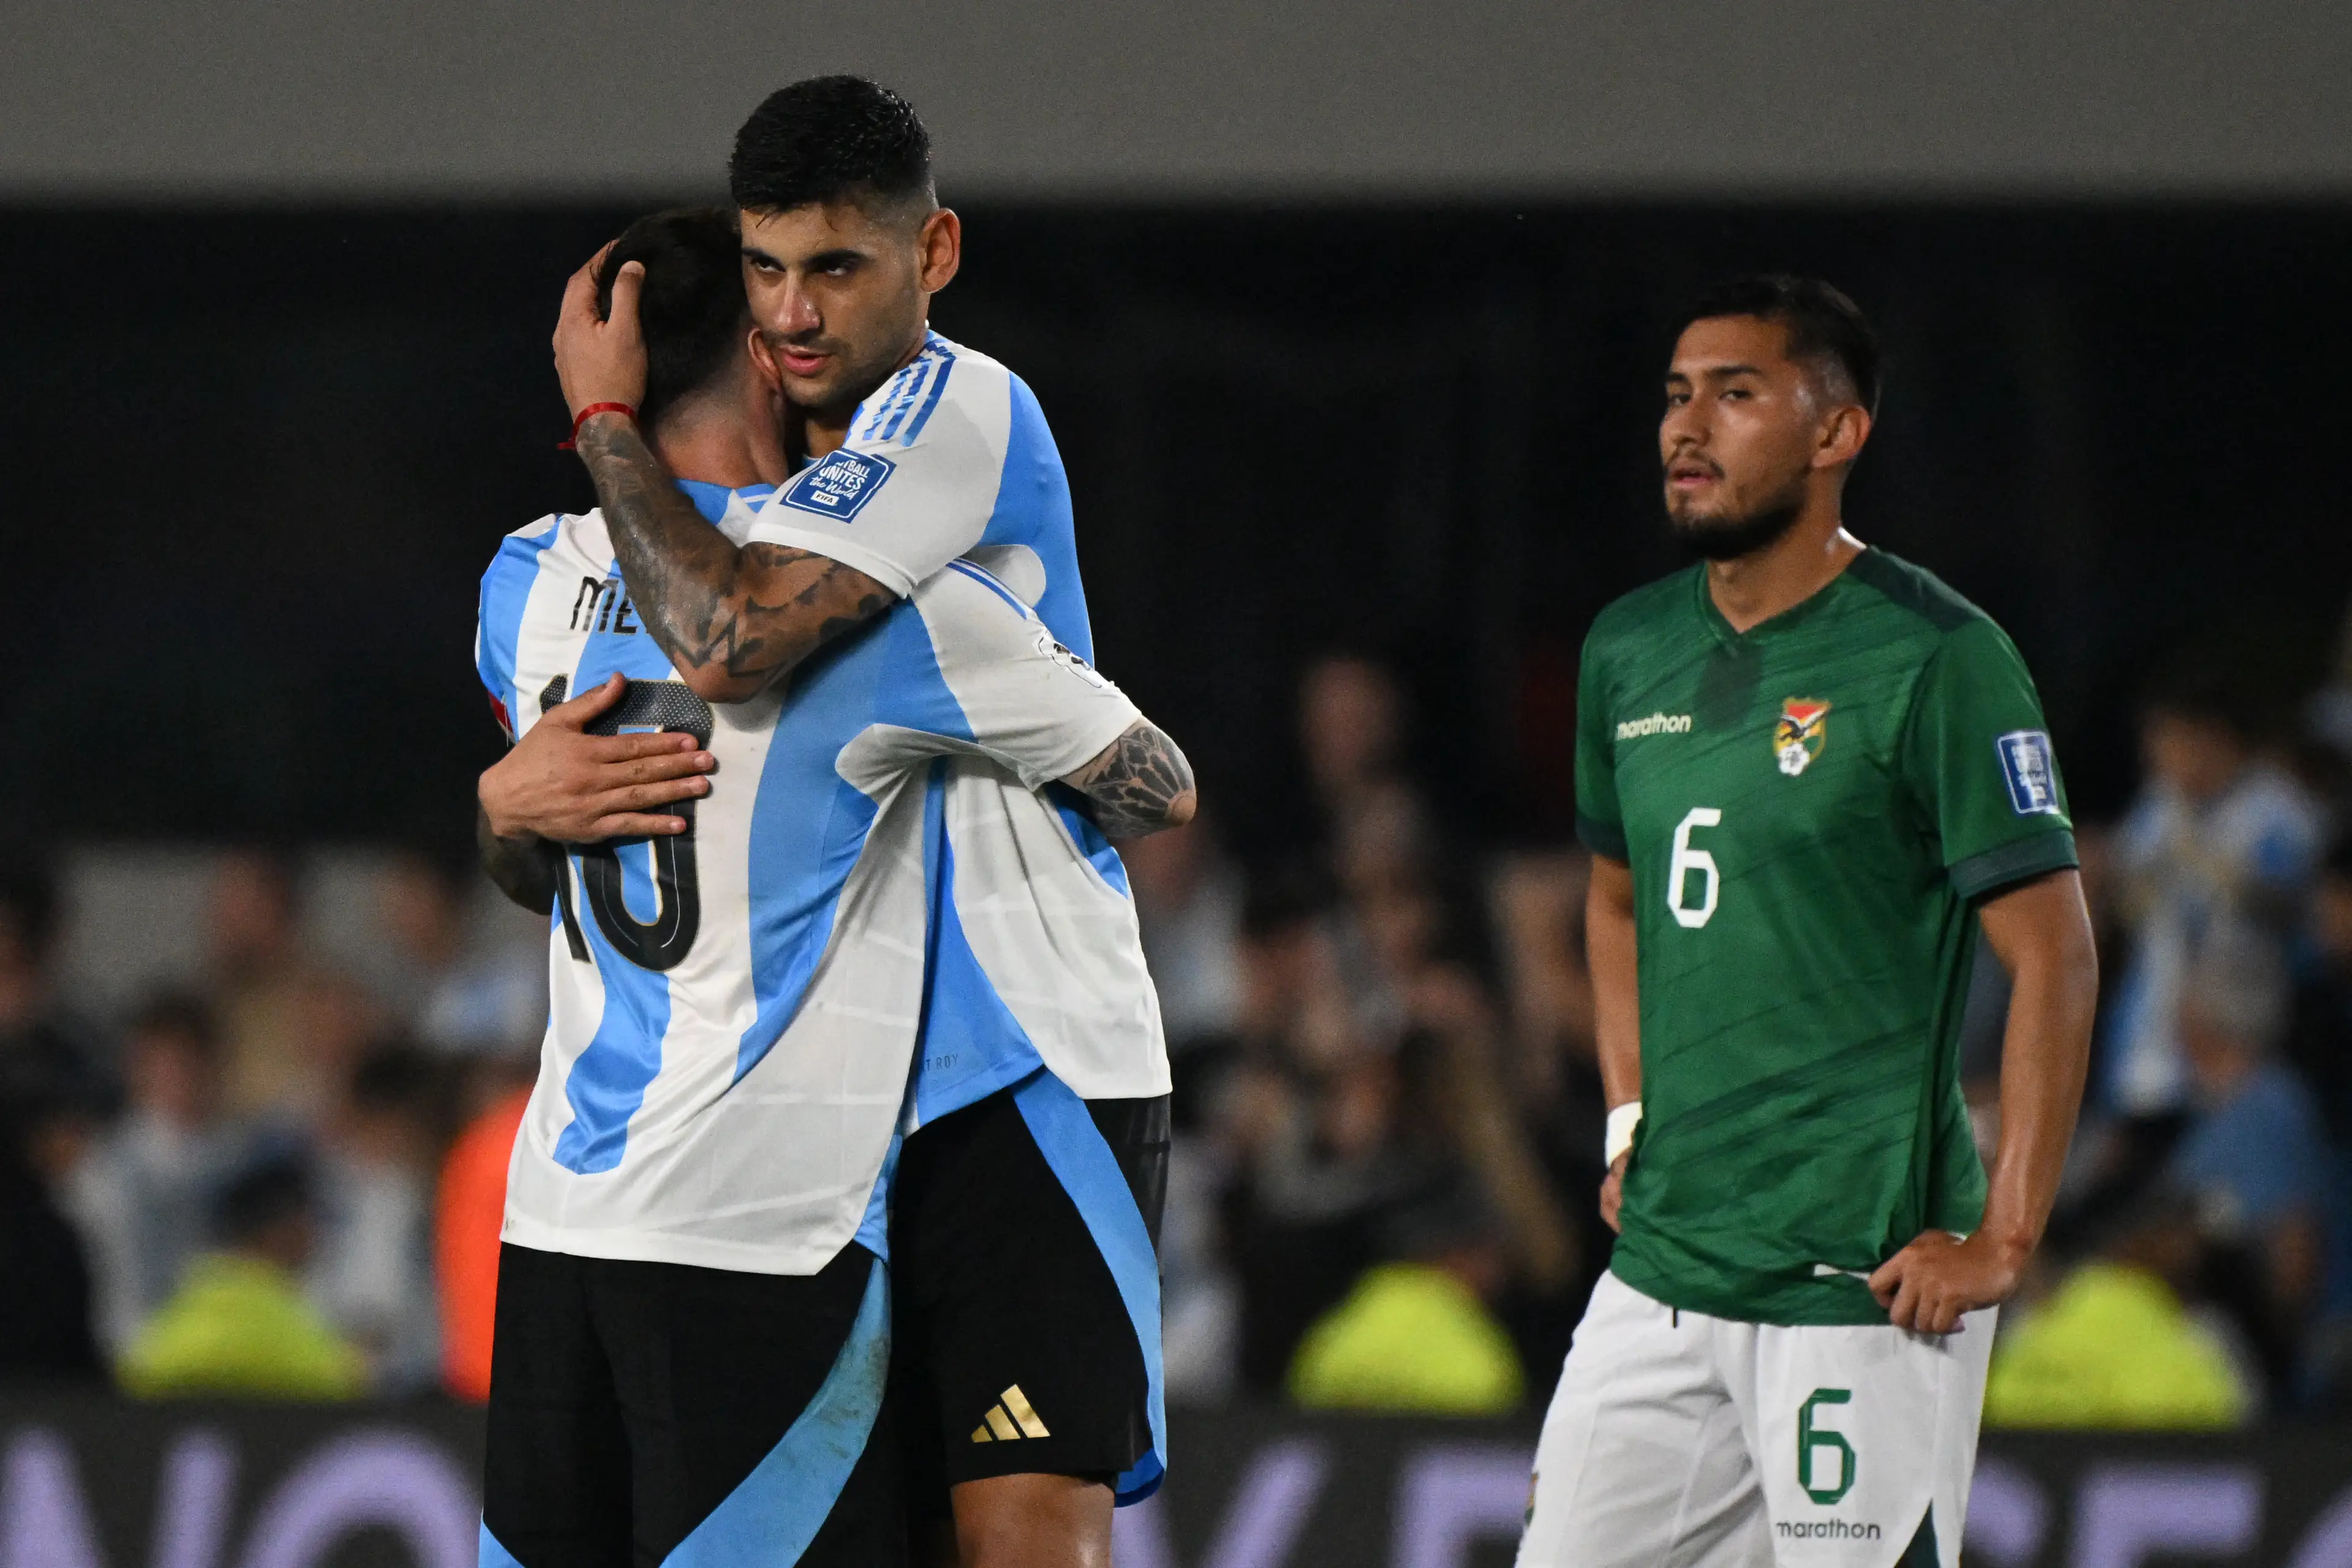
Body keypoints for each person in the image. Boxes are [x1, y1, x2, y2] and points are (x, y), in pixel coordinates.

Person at [481, 194, 1190, 1568]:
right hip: (762, 1219)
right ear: (761, 345)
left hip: (574, 1208)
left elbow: (544, 848)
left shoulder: (522, 580)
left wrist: (497, 800)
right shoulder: (903, 610)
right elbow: (1159, 780)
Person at [1516, 276, 2100, 1568]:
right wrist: (1628, 1111)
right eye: (1676, 394)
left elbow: (2053, 948)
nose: (1687, 425)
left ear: (1837, 435)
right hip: (1666, 1266)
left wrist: (2004, 1234)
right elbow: (1614, 898)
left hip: (1857, 1276)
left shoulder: (1937, 655)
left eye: (1735, 393)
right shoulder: (1626, 651)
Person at [65, 992, 248, 1356]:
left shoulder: (243, 1160)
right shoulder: (98, 1171)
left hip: (226, 1356)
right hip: (131, 1360)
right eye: (162, 1064)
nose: (176, 1077)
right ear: (135, 1069)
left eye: (188, 1063)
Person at [118, 1152, 368, 1400]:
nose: (316, 1237)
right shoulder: (297, 1339)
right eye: (310, 1221)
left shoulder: (173, 1326)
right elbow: (345, 1392)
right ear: (282, 1232)